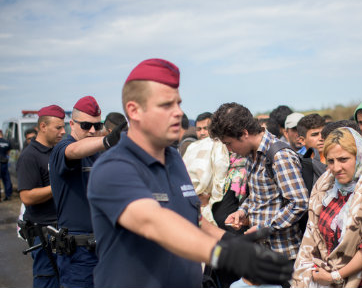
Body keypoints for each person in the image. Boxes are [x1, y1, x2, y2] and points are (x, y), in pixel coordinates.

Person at [87, 58, 292, 287]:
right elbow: (152, 222)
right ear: (134, 111)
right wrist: (223, 254)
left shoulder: (174, 158)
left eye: (178, 104)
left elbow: (193, 220)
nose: (178, 113)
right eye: (166, 105)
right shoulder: (113, 168)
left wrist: (232, 243)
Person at [292, 127, 362, 287]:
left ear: (360, 157)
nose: (336, 168)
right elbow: (313, 231)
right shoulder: (326, 184)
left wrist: (334, 276)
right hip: (327, 273)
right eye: (330, 161)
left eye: (343, 159)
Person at [210, 102, 309, 264]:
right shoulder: (251, 155)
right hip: (262, 252)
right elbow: (258, 195)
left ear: (244, 133)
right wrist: (242, 212)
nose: (229, 149)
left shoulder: (279, 156)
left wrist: (267, 227)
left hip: (283, 253)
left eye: (229, 143)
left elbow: (299, 203)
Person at [49, 96, 126, 287]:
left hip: (107, 248)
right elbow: (74, 151)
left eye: (97, 125)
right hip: (79, 255)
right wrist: (107, 140)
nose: (92, 130)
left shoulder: (101, 153)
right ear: (72, 124)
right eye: (85, 125)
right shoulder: (62, 149)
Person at [16, 105, 66, 288]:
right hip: (44, 235)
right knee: (47, 281)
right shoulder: (29, 157)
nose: (63, 131)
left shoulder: (56, 151)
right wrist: (58, 187)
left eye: (64, 127)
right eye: (58, 127)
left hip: (60, 231)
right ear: (43, 127)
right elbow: (27, 197)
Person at [0, 129, 13, 201]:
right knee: (6, 179)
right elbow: (8, 152)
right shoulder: (7, 142)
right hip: (5, 162)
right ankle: (8, 195)